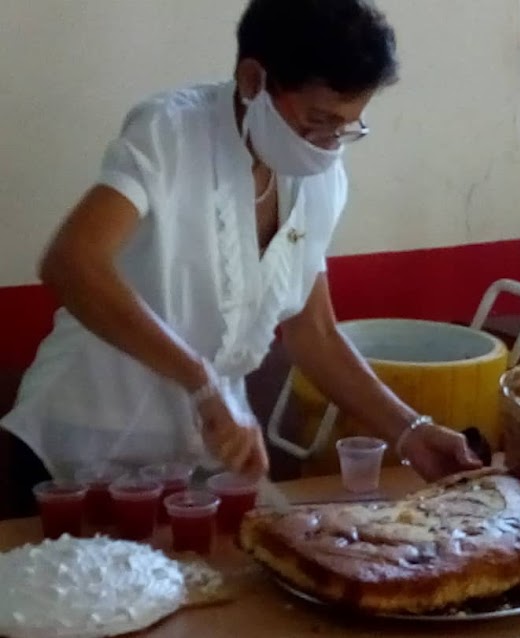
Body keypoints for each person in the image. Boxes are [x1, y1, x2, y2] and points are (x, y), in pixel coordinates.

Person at [1, 0, 482, 514]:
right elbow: (71, 262)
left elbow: (312, 331)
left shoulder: (318, 176)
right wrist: (203, 384)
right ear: (253, 80)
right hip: (76, 452)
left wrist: (412, 432)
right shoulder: (171, 134)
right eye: (318, 120)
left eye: (347, 127)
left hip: (192, 469)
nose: (327, 144)